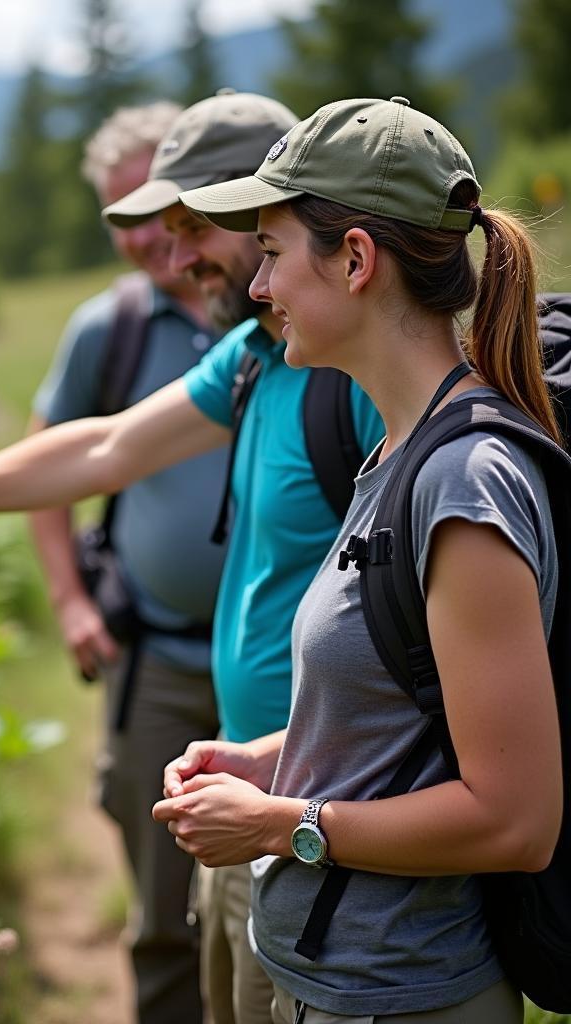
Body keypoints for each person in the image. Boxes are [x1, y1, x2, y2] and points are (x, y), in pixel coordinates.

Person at [0, 91, 384, 1024]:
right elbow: (103, 447)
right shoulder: (256, 354)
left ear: (262, 210)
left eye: (191, 226)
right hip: (253, 788)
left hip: (311, 807)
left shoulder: (354, 376)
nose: (178, 256)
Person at [153, 96, 562, 1023]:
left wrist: (283, 825)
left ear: (356, 260)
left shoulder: (464, 482)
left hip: (407, 998)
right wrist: (265, 760)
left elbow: (516, 818)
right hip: (344, 988)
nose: (257, 287)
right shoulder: (398, 450)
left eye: (270, 251)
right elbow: (408, 731)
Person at [28, 102, 223, 1024]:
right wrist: (71, 602)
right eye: (122, 218)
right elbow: (53, 470)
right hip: (162, 662)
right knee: (165, 911)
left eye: (161, 204)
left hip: (295, 669)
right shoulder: (109, 331)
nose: (147, 237)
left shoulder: (288, 300)